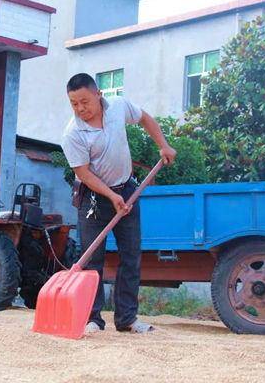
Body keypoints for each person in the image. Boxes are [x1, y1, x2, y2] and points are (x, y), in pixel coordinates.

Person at [62, 73, 177, 334]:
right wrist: (111, 197)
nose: (80, 109)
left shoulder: (118, 107)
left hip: (127, 190)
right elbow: (84, 174)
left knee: (131, 256)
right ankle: (93, 319)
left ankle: (127, 319)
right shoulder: (73, 134)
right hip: (93, 198)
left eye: (84, 101)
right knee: (92, 260)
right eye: (74, 104)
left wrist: (164, 145)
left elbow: (145, 118)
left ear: (98, 94)